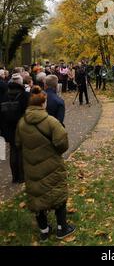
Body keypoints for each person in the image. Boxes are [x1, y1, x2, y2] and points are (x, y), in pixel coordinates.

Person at [15, 86, 75, 241]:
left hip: (31, 167)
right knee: (58, 195)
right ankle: (62, 228)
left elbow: (17, 143)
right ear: (43, 103)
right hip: (52, 165)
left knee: (37, 197)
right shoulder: (51, 122)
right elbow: (63, 144)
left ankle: (44, 230)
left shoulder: (21, 123)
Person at [0, 74, 29, 183]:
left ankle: (14, 176)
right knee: (21, 151)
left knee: (13, 150)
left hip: (8, 128)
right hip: (22, 127)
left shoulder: (4, 96)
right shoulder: (25, 95)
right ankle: (22, 176)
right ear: (21, 83)